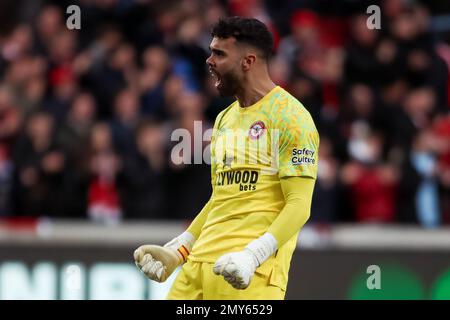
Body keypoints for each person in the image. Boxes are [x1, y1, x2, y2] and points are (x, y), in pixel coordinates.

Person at [133, 17, 319, 300]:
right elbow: (221, 197)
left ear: (248, 61)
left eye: (219, 54)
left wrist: (253, 256)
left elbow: (299, 205)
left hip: (248, 274)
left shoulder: (291, 118)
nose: (209, 60)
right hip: (198, 267)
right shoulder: (224, 119)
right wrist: (180, 249)